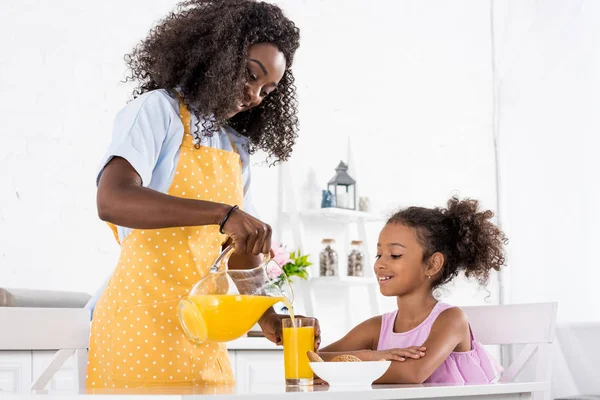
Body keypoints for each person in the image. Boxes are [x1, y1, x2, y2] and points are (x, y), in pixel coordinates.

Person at [86, 0, 320, 389]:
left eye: (267, 89)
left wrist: (269, 317)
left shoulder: (235, 145)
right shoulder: (156, 111)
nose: (255, 95)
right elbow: (112, 199)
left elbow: (239, 249)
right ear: (218, 55)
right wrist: (224, 213)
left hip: (204, 331)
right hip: (140, 324)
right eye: (250, 75)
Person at [316, 197, 506, 384]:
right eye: (379, 254)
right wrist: (368, 356)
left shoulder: (451, 319)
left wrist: (362, 360)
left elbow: (412, 373)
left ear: (432, 264)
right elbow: (311, 362)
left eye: (395, 255)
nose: (380, 264)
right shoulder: (375, 329)